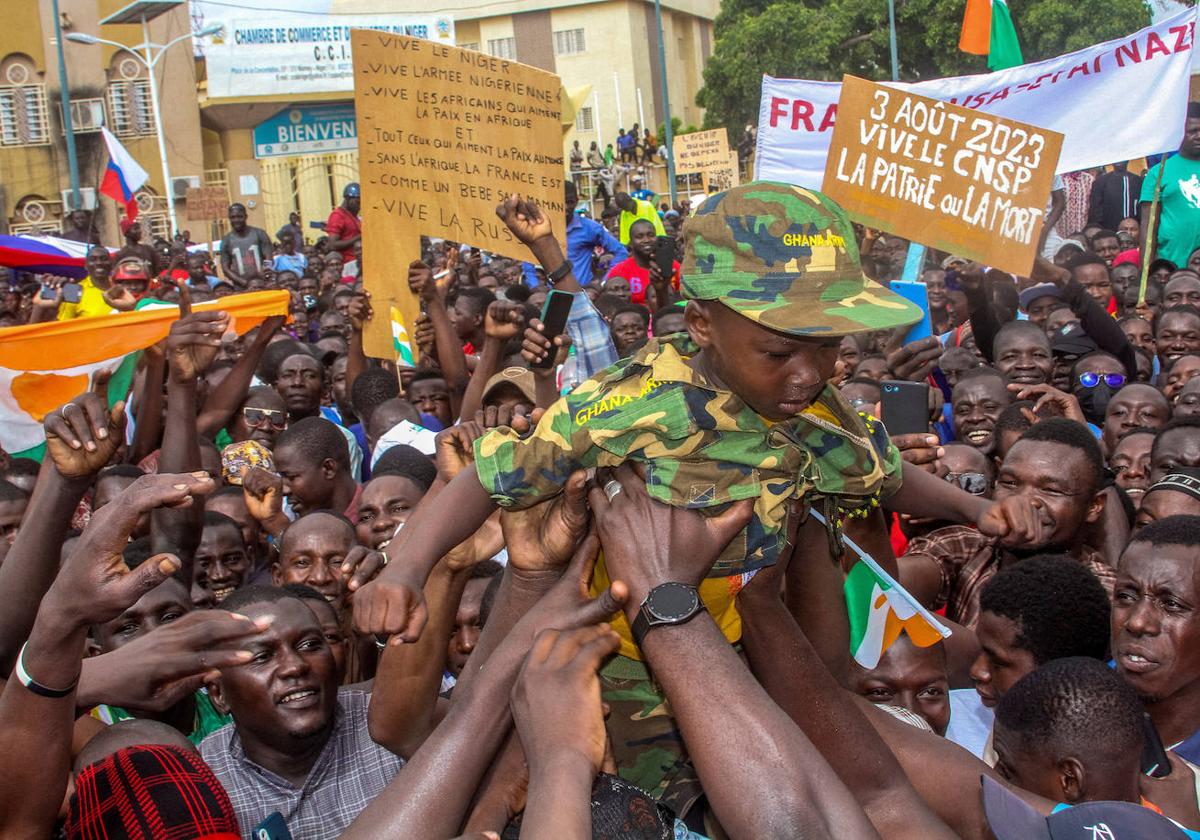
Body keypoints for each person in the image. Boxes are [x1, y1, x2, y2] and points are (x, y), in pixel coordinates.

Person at [354, 183, 1047, 800]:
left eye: (828, 347)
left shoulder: (817, 408)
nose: (809, 374)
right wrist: (407, 569)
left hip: (759, 658)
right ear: (704, 323)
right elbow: (488, 473)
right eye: (779, 353)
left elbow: (887, 473)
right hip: (625, 666)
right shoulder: (634, 400)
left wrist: (978, 510)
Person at [201, 586, 402, 836]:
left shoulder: (389, 723)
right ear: (219, 694)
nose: (295, 666)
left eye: (309, 645)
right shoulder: (201, 782)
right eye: (262, 656)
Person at [900, 418, 1116, 629]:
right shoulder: (965, 546)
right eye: (1010, 483)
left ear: (1094, 506)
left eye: (1050, 490)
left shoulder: (1104, 591)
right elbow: (883, 592)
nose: (1022, 501)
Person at [947, 554, 1112, 760]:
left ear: (1058, 673)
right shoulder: (989, 718)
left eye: (998, 663)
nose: (976, 671)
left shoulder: (1099, 757)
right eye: (980, 651)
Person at [1141, 102, 1200, 268]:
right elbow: (1148, 227)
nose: (1198, 136)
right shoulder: (1158, 172)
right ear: (1180, 133)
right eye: (1192, 131)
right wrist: (1146, 269)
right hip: (1172, 267)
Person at [603, 217, 680, 305]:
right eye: (639, 237)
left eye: (650, 235)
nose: (646, 240)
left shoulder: (673, 267)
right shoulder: (619, 271)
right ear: (631, 243)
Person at [220, 203, 273, 288]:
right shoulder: (227, 240)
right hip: (240, 286)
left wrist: (266, 275)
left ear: (245, 216)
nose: (236, 220)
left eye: (239, 217)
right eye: (233, 217)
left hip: (262, 283)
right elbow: (225, 268)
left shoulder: (259, 233)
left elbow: (268, 257)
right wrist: (243, 282)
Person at [1089, 162, 1143, 233]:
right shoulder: (1101, 182)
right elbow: (1096, 210)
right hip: (1109, 230)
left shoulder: (1137, 181)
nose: (1119, 162)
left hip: (1133, 232)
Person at [325, 183, 362, 264]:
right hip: (348, 262)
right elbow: (332, 244)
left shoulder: (353, 215)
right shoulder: (338, 216)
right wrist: (360, 237)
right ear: (348, 198)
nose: (360, 206)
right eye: (358, 202)